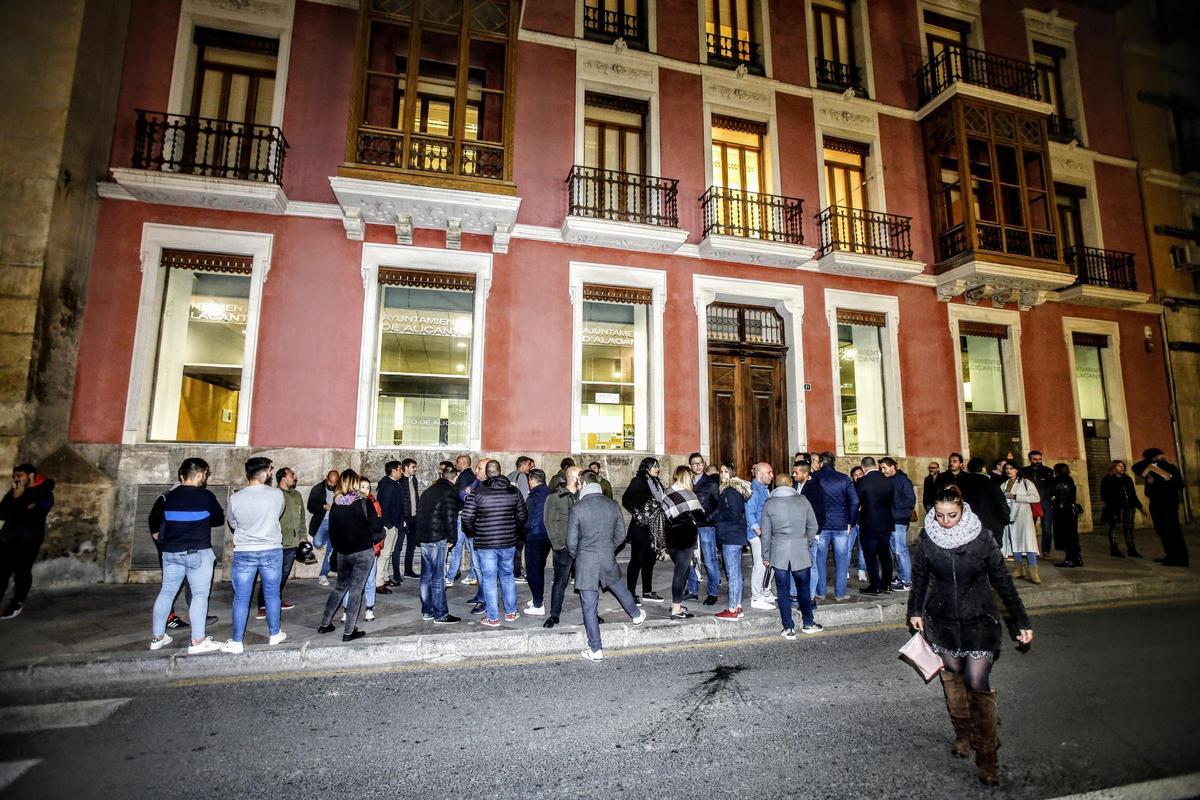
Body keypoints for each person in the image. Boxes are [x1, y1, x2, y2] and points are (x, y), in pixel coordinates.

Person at [908, 486, 1033, 786]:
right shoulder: (927, 538)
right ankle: (962, 733)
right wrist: (915, 610)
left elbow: (1003, 582)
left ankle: (987, 756)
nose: (945, 521)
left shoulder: (982, 539)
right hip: (942, 621)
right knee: (952, 677)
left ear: (963, 511)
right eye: (939, 515)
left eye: (951, 515)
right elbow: (921, 577)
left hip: (979, 621)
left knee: (978, 683)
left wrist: (1021, 620)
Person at [147, 458, 224, 654]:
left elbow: (157, 521)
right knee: (199, 595)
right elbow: (218, 519)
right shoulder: (205, 496)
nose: (205, 479)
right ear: (200, 474)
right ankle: (198, 641)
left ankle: (157, 637)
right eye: (205, 475)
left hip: (170, 552)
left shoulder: (168, 497)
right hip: (197, 551)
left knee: (166, 593)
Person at [569, 470, 646, 661]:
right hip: (606, 555)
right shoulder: (612, 504)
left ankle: (596, 649)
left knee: (589, 605)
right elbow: (621, 534)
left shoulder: (578, 508)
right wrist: (608, 548)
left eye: (578, 484)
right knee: (619, 587)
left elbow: (571, 542)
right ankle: (636, 615)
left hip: (586, 560)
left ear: (583, 484)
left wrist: (578, 555)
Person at [222, 457, 287, 654]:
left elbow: (233, 523)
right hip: (271, 548)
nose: (271, 473)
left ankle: (236, 641)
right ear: (264, 472)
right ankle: (274, 634)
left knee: (241, 598)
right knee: (272, 594)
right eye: (270, 470)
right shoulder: (277, 494)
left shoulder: (235, 498)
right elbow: (278, 514)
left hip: (244, 550)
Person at [317, 469, 382, 642]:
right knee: (356, 590)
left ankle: (325, 624)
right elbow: (377, 527)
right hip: (363, 552)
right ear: (354, 482)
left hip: (343, 553)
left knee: (340, 588)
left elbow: (332, 531)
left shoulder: (336, 503)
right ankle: (349, 631)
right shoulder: (363, 502)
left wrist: (340, 548)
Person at [461, 459, 528, 626]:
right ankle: (511, 612)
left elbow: (466, 517)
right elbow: (522, 515)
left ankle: (493, 617)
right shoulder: (514, 492)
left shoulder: (478, 493)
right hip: (508, 542)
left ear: (486, 473)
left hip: (485, 544)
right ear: (500, 471)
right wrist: (514, 530)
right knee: (507, 577)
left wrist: (474, 532)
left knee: (489, 580)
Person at [148, 478, 215, 631]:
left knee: (174, 590)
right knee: (193, 590)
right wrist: (159, 538)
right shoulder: (168, 496)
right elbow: (154, 519)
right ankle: (177, 622)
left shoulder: (171, 496)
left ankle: (159, 634)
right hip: (180, 548)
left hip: (177, 548)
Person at [760, 475, 823, 639]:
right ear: (790, 484)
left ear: (777, 486)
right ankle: (808, 623)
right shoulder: (803, 501)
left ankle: (788, 627)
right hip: (800, 551)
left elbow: (765, 533)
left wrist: (765, 555)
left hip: (779, 552)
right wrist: (806, 542)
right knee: (804, 589)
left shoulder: (770, 504)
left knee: (783, 591)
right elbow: (813, 526)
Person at [0, 463, 55, 620]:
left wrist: (18, 502)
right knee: (2, 572)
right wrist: (18, 501)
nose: (17, 479)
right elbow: (2, 512)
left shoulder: (45, 494)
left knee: (22, 572)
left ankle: (17, 603)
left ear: (31, 476)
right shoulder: (14, 492)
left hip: (29, 539)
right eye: (15, 476)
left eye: (20, 475)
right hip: (8, 537)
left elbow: (34, 515)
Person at [414, 461, 463, 624]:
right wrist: (452, 539)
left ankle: (427, 611)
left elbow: (419, 514)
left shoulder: (428, 491)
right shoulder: (449, 492)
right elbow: (450, 517)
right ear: (454, 479)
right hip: (437, 539)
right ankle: (441, 613)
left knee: (426, 576)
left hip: (425, 538)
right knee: (437, 577)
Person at [257, 467, 304, 619]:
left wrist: (303, 536)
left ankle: (275, 599)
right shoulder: (273, 495)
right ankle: (263, 604)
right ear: (283, 478)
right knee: (270, 575)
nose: (294, 477)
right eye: (291, 475)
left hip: (292, 543)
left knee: (283, 574)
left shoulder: (297, 495)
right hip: (276, 542)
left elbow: (301, 517)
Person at [811, 452, 859, 601]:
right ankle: (840, 593)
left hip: (821, 525)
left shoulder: (815, 478)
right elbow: (855, 501)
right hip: (841, 523)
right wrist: (851, 521)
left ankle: (821, 591)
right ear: (833, 463)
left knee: (820, 559)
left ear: (820, 463)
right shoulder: (844, 478)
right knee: (842, 559)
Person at [661, 466, 707, 621]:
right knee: (681, 572)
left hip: (671, 539)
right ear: (686, 477)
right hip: (686, 538)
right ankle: (676, 608)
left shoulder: (667, 492)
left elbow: (666, 514)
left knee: (682, 570)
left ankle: (677, 603)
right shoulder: (688, 494)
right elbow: (701, 518)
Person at [1132, 448, 1188, 567]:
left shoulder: (1169, 467)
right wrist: (1152, 462)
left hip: (1167, 502)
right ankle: (1171, 556)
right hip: (1157, 502)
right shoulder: (1150, 468)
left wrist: (1158, 481)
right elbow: (1135, 467)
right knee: (1163, 531)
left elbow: (1180, 484)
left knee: (1172, 531)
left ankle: (1181, 558)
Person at [621, 457, 666, 604]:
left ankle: (647, 591)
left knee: (650, 560)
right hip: (640, 528)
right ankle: (630, 593)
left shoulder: (657, 483)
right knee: (636, 560)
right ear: (646, 468)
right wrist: (638, 512)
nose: (657, 469)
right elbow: (626, 499)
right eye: (654, 466)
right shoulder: (638, 481)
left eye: (657, 466)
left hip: (654, 528)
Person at [542, 465, 581, 628]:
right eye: (581, 476)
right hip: (563, 548)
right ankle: (554, 615)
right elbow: (548, 521)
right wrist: (558, 545)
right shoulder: (555, 497)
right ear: (574, 478)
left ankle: (592, 613)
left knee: (586, 582)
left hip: (582, 547)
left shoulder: (584, 496)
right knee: (560, 582)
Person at [340, 478, 382, 622]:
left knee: (370, 579)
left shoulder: (372, 503)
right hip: (352, 548)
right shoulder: (346, 502)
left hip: (368, 547)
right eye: (362, 486)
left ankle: (369, 608)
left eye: (368, 487)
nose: (365, 490)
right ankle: (346, 610)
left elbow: (378, 525)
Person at [714, 462, 751, 620]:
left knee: (733, 574)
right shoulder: (734, 489)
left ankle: (732, 609)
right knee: (736, 573)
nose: (722, 474)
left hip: (731, 536)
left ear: (732, 473)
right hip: (734, 535)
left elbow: (733, 513)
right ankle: (737, 606)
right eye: (721, 472)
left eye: (725, 472)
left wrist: (717, 517)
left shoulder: (729, 491)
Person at [856, 457, 895, 595]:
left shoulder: (863, 481)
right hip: (886, 522)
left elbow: (856, 501)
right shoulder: (888, 480)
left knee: (870, 555)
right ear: (875, 465)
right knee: (885, 554)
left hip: (869, 523)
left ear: (863, 468)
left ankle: (875, 585)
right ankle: (887, 584)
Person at [686, 453, 721, 605]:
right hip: (690, 526)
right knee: (691, 559)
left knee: (710, 560)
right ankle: (692, 590)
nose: (698, 466)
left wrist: (707, 519)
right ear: (690, 466)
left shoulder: (711, 483)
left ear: (704, 464)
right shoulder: (687, 483)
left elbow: (720, 506)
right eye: (694, 464)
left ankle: (713, 592)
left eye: (700, 463)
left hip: (706, 527)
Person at [1001, 462, 1041, 583]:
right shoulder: (1003, 484)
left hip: (1024, 517)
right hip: (1010, 517)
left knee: (1029, 543)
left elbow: (1036, 498)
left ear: (1017, 470)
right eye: (1006, 468)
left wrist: (1016, 497)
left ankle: (1034, 572)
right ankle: (1019, 569)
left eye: (1011, 468)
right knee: (1015, 543)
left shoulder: (1026, 483)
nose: (1009, 470)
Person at [792, 460, 826, 603]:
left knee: (811, 566)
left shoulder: (814, 489)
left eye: (796, 472)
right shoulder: (797, 486)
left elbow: (819, 513)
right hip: (799, 533)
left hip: (810, 534)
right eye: (793, 472)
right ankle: (795, 594)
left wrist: (814, 534)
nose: (793, 475)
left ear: (806, 474)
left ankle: (810, 597)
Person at [744, 462, 777, 610]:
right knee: (760, 565)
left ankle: (765, 591)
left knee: (769, 564)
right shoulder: (754, 490)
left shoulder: (763, 488)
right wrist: (761, 534)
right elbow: (750, 514)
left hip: (766, 533)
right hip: (758, 535)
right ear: (759, 474)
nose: (772, 475)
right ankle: (756, 598)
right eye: (769, 472)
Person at [880, 457, 916, 591]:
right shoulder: (888, 480)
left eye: (884, 468)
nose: (882, 471)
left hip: (899, 520)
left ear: (892, 467)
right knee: (895, 549)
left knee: (900, 550)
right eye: (881, 468)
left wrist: (892, 505)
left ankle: (907, 580)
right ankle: (902, 576)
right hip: (890, 520)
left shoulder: (903, 480)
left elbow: (910, 500)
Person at [445, 454, 480, 588]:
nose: (456, 464)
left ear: (464, 463)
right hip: (470, 516)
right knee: (471, 548)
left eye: (458, 462)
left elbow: (460, 496)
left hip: (462, 516)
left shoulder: (464, 476)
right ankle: (472, 575)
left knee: (457, 547)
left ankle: (450, 576)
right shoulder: (472, 476)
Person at [521, 468, 552, 616]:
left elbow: (527, 520)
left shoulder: (533, 497)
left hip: (534, 536)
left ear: (532, 480)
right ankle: (536, 598)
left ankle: (538, 604)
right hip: (546, 536)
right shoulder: (550, 493)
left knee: (533, 571)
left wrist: (522, 530)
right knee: (539, 569)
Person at [961, 458, 1010, 548]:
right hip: (990, 524)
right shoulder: (990, 483)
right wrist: (1005, 518)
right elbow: (1000, 503)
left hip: (969, 524)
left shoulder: (961, 483)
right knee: (992, 554)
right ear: (983, 468)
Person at [1100, 460, 1143, 558]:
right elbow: (1104, 495)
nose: (1122, 467)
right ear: (1113, 467)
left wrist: (1139, 507)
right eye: (1119, 466)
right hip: (1115, 508)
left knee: (1128, 529)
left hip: (1129, 507)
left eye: (1123, 466)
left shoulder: (1127, 479)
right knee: (1114, 528)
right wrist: (1111, 507)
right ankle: (1114, 549)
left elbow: (1132, 494)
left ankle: (1131, 549)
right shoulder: (1108, 479)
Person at [308, 470, 339, 586]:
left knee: (330, 550)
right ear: (327, 478)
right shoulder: (317, 489)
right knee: (317, 543)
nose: (332, 485)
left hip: (334, 524)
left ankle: (323, 574)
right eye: (331, 483)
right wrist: (324, 507)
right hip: (321, 522)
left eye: (335, 483)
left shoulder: (340, 489)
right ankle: (327, 540)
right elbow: (310, 507)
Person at [1022, 451, 1055, 556]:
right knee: (1029, 526)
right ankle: (1030, 550)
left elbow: (1052, 486)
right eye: (1035, 459)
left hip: (1045, 501)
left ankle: (1046, 551)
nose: (1037, 461)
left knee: (1046, 527)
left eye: (1039, 459)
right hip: (1030, 502)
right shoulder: (1024, 471)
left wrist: (1048, 497)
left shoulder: (1048, 471)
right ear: (1030, 459)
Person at [1050, 463, 1082, 568]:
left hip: (1063, 511)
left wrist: (1054, 499)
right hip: (1071, 510)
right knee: (1073, 535)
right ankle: (1076, 557)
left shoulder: (1058, 482)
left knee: (1065, 535)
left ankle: (1070, 559)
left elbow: (1058, 495)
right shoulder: (1070, 480)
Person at [377, 460, 403, 588]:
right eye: (400, 469)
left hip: (393, 524)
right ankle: (378, 582)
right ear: (393, 471)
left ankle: (385, 577)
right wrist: (389, 525)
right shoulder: (388, 485)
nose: (401, 471)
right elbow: (384, 507)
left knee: (389, 552)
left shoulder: (392, 483)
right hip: (389, 525)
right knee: (385, 553)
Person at [508, 457, 535, 581]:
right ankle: (516, 573)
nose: (530, 468)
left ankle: (510, 571)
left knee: (511, 546)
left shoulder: (509, 476)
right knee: (519, 547)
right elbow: (524, 498)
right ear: (523, 465)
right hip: (518, 517)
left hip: (509, 516)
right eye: (529, 465)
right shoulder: (522, 477)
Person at [398, 458, 421, 579]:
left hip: (414, 517)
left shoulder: (414, 480)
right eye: (413, 467)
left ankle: (408, 570)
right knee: (398, 546)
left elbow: (415, 498)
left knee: (411, 545)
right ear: (406, 468)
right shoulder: (400, 482)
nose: (415, 469)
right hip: (404, 518)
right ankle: (397, 573)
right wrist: (403, 519)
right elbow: (400, 502)